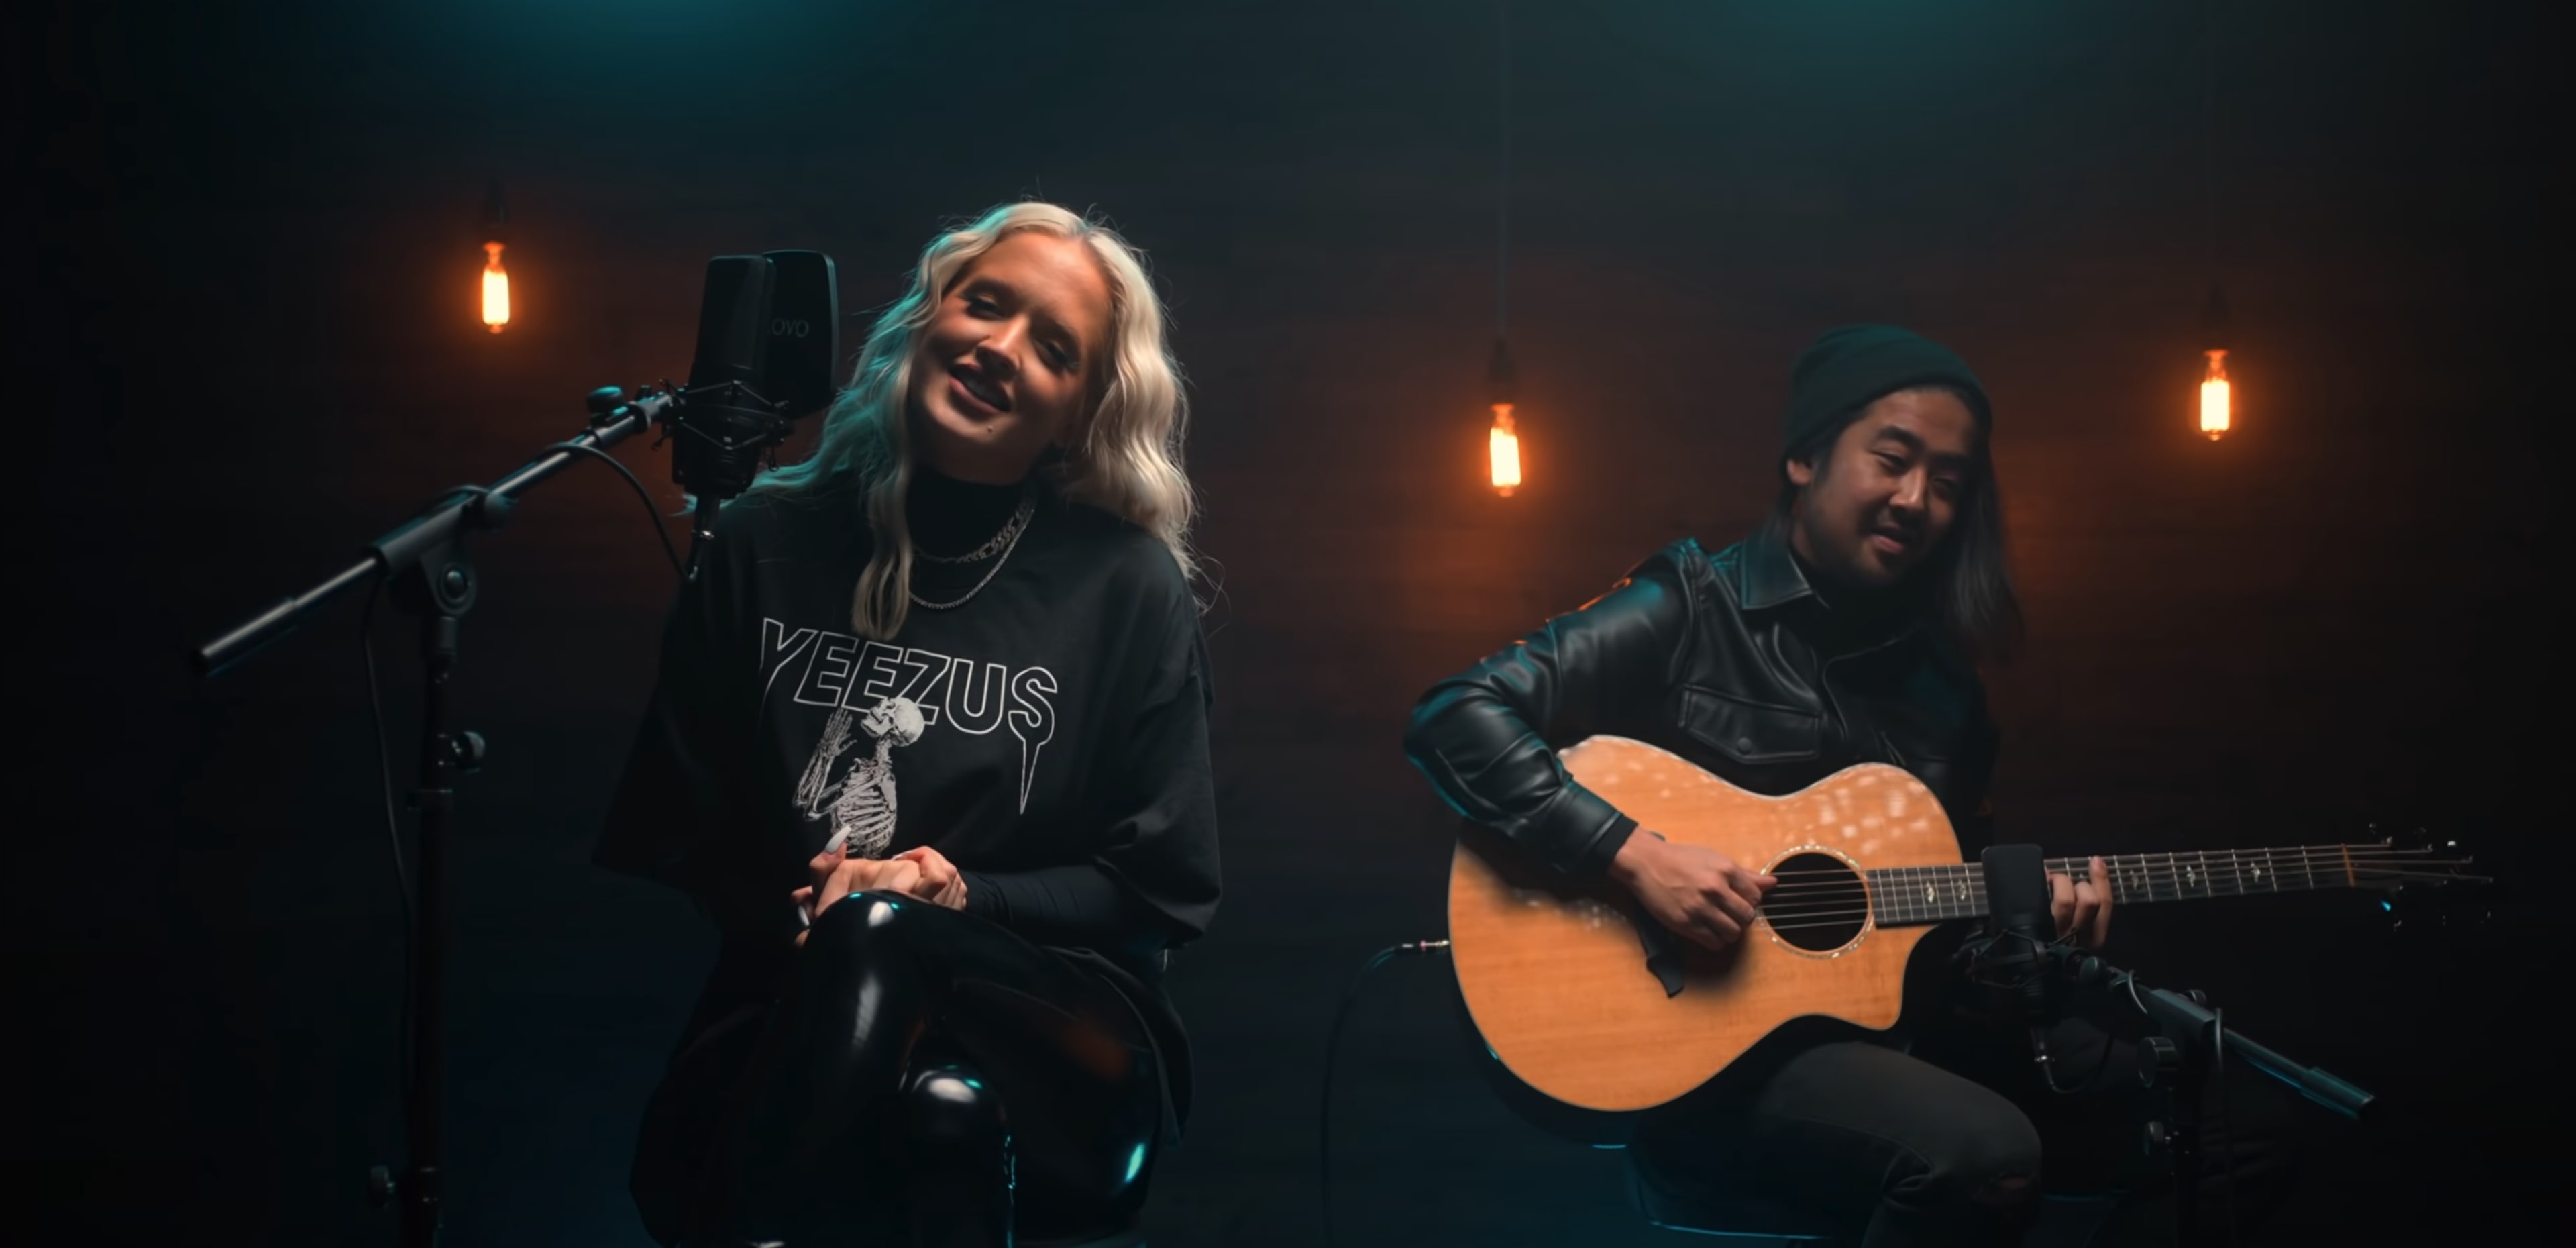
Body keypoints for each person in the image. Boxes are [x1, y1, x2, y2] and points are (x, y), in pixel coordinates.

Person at [1403, 325, 2298, 1245]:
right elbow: (1455, 715)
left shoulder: (1948, 694)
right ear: (1805, 457)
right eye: (1893, 460)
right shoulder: (1690, 604)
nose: (1916, 499)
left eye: (1948, 483)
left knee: (2246, 1129)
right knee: (1981, 1152)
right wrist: (1634, 856)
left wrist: (2029, 945)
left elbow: (1939, 958)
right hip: (1711, 1060)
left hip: (1886, 1040)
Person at [596, 201, 1220, 1248]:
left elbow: (1158, 891)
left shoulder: (1125, 586)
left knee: (883, 930)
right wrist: (806, 907)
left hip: (1067, 1039)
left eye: (1053, 349)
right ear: (928, 317)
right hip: (789, 1007)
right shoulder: (761, 540)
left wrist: (958, 892)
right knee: (943, 1114)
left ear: (1077, 414)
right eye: (986, 305)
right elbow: (680, 828)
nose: (1000, 348)